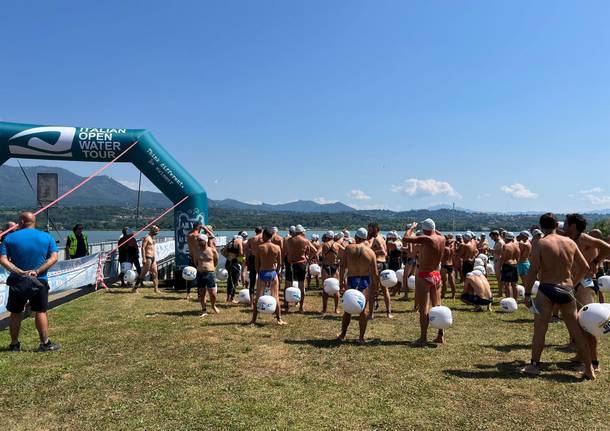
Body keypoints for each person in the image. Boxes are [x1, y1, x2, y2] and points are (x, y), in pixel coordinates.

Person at [522, 213, 595, 379]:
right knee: (576, 330)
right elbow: (585, 266)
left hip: (547, 288)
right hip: (566, 288)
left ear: (541, 227)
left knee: (540, 329)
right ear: (557, 226)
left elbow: (533, 270)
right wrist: (573, 283)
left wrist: (527, 293)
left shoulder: (541, 242)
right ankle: (589, 369)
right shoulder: (570, 242)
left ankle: (534, 366)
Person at [0, 212, 60, 352]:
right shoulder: (46, 237)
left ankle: (14, 344)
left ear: (20, 221)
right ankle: (44, 343)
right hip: (39, 280)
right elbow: (54, 257)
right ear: (34, 222)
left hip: (17, 280)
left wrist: (18, 271)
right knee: (40, 311)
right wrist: (38, 271)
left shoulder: (9, 238)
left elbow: (2, 259)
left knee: (15, 312)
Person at [564, 214, 610, 371]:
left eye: (566, 223)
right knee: (577, 323)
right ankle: (581, 355)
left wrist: (596, 262)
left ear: (573, 226)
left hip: (583, 284)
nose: (563, 225)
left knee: (588, 323)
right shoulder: (569, 239)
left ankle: (594, 362)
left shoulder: (584, 238)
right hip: (574, 284)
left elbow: (607, 247)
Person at [402, 218, 446, 346]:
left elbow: (405, 238)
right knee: (437, 306)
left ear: (425, 230)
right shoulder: (441, 238)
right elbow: (436, 232)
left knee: (423, 308)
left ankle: (423, 338)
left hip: (424, 274)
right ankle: (440, 335)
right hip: (436, 274)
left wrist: (412, 228)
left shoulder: (427, 239)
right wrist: (432, 228)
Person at [337, 228, 378, 344]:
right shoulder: (371, 252)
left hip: (352, 279)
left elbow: (342, 266)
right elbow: (375, 273)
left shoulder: (349, 249)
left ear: (356, 237)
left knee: (347, 309)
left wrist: (340, 281)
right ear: (365, 239)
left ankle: (343, 334)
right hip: (364, 281)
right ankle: (361, 337)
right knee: (363, 310)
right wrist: (376, 287)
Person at [250, 228, 287, 326]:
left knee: (258, 297)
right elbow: (279, 263)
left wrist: (259, 272)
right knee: (276, 297)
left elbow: (256, 263)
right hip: (273, 272)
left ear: (265, 236)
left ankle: (253, 320)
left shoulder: (260, 247)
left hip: (262, 272)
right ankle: (279, 319)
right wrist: (277, 272)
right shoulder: (277, 247)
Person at [285, 224, 315, 313]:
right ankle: (301, 307)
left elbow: (286, 251)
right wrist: (308, 258)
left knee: (288, 285)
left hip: (290, 264)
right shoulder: (305, 240)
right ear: (302, 232)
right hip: (301, 263)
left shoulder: (289, 240)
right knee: (301, 286)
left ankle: (286, 306)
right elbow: (315, 251)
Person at [368, 222, 393, 319]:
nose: (369, 231)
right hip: (383, 264)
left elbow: (383, 251)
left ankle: (371, 314)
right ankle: (388, 312)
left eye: (370, 229)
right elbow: (386, 253)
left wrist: (370, 252)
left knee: (372, 290)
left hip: (377, 264)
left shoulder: (376, 239)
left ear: (376, 229)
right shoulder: (382, 238)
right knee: (384, 289)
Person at [193, 234, 219, 316]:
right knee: (202, 293)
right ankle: (204, 309)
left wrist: (212, 267)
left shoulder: (212, 250)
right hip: (200, 273)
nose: (199, 242)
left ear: (205, 241)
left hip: (210, 273)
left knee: (212, 293)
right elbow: (196, 262)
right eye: (198, 240)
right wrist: (200, 268)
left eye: (200, 240)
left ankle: (213, 305)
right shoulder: (197, 251)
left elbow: (216, 260)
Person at [320, 231, 343, 314]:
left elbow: (318, 253)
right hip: (335, 266)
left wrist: (321, 260)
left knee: (325, 288)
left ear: (326, 237)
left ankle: (324, 309)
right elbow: (345, 252)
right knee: (336, 289)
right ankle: (336, 309)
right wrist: (340, 261)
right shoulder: (337, 244)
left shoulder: (324, 244)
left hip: (326, 266)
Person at [134, 225, 160, 294]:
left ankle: (156, 289)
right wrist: (144, 258)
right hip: (148, 257)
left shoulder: (152, 238)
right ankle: (135, 288)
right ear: (152, 231)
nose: (157, 233)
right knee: (143, 274)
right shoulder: (147, 237)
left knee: (155, 273)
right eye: (156, 232)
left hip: (153, 257)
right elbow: (143, 248)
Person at [498, 232, 520, 299]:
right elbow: (518, 257)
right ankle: (515, 300)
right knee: (514, 284)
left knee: (507, 284)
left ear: (506, 238)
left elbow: (503, 258)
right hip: (514, 265)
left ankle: (509, 299)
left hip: (507, 265)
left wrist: (500, 266)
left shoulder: (505, 246)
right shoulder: (516, 246)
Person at [222, 234, 242, 303]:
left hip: (228, 263)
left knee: (229, 280)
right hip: (235, 263)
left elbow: (223, 252)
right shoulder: (239, 242)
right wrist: (239, 259)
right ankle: (231, 298)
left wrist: (228, 257)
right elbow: (241, 253)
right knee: (235, 281)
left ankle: (228, 297)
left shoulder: (229, 243)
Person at [185, 221, 203, 299]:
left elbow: (191, 232)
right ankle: (199, 294)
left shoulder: (189, 235)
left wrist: (195, 228)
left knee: (189, 275)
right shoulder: (198, 236)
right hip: (197, 257)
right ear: (199, 227)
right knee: (200, 275)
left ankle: (188, 293)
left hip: (191, 256)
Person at [244, 227, 263, 299]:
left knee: (252, 280)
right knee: (263, 279)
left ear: (255, 231)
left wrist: (246, 259)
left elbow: (245, 250)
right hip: (261, 258)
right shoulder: (264, 239)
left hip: (252, 258)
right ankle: (261, 297)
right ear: (262, 231)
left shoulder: (251, 239)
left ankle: (251, 301)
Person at [490, 230, 505, 295]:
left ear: (496, 235)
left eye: (492, 237)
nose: (491, 239)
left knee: (499, 278)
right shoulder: (498, 242)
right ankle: (501, 291)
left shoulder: (500, 242)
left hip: (498, 261)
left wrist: (492, 250)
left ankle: (500, 292)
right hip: (497, 260)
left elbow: (501, 252)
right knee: (499, 278)